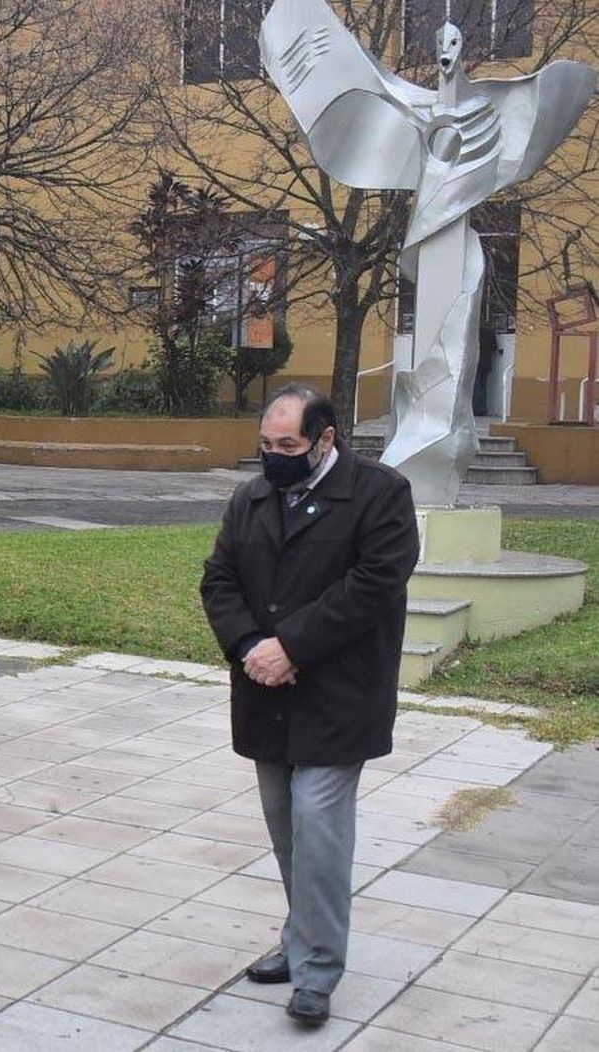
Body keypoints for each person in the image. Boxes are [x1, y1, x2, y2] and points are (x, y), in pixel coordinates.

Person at [201, 384, 419, 1027]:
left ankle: (318, 969)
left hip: (339, 695)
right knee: (285, 826)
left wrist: (291, 646)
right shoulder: (251, 498)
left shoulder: (380, 494)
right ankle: (302, 940)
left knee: (319, 830)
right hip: (265, 690)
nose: (274, 457)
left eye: (288, 445)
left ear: (325, 439)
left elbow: (375, 584)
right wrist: (249, 646)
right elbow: (220, 578)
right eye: (266, 445)